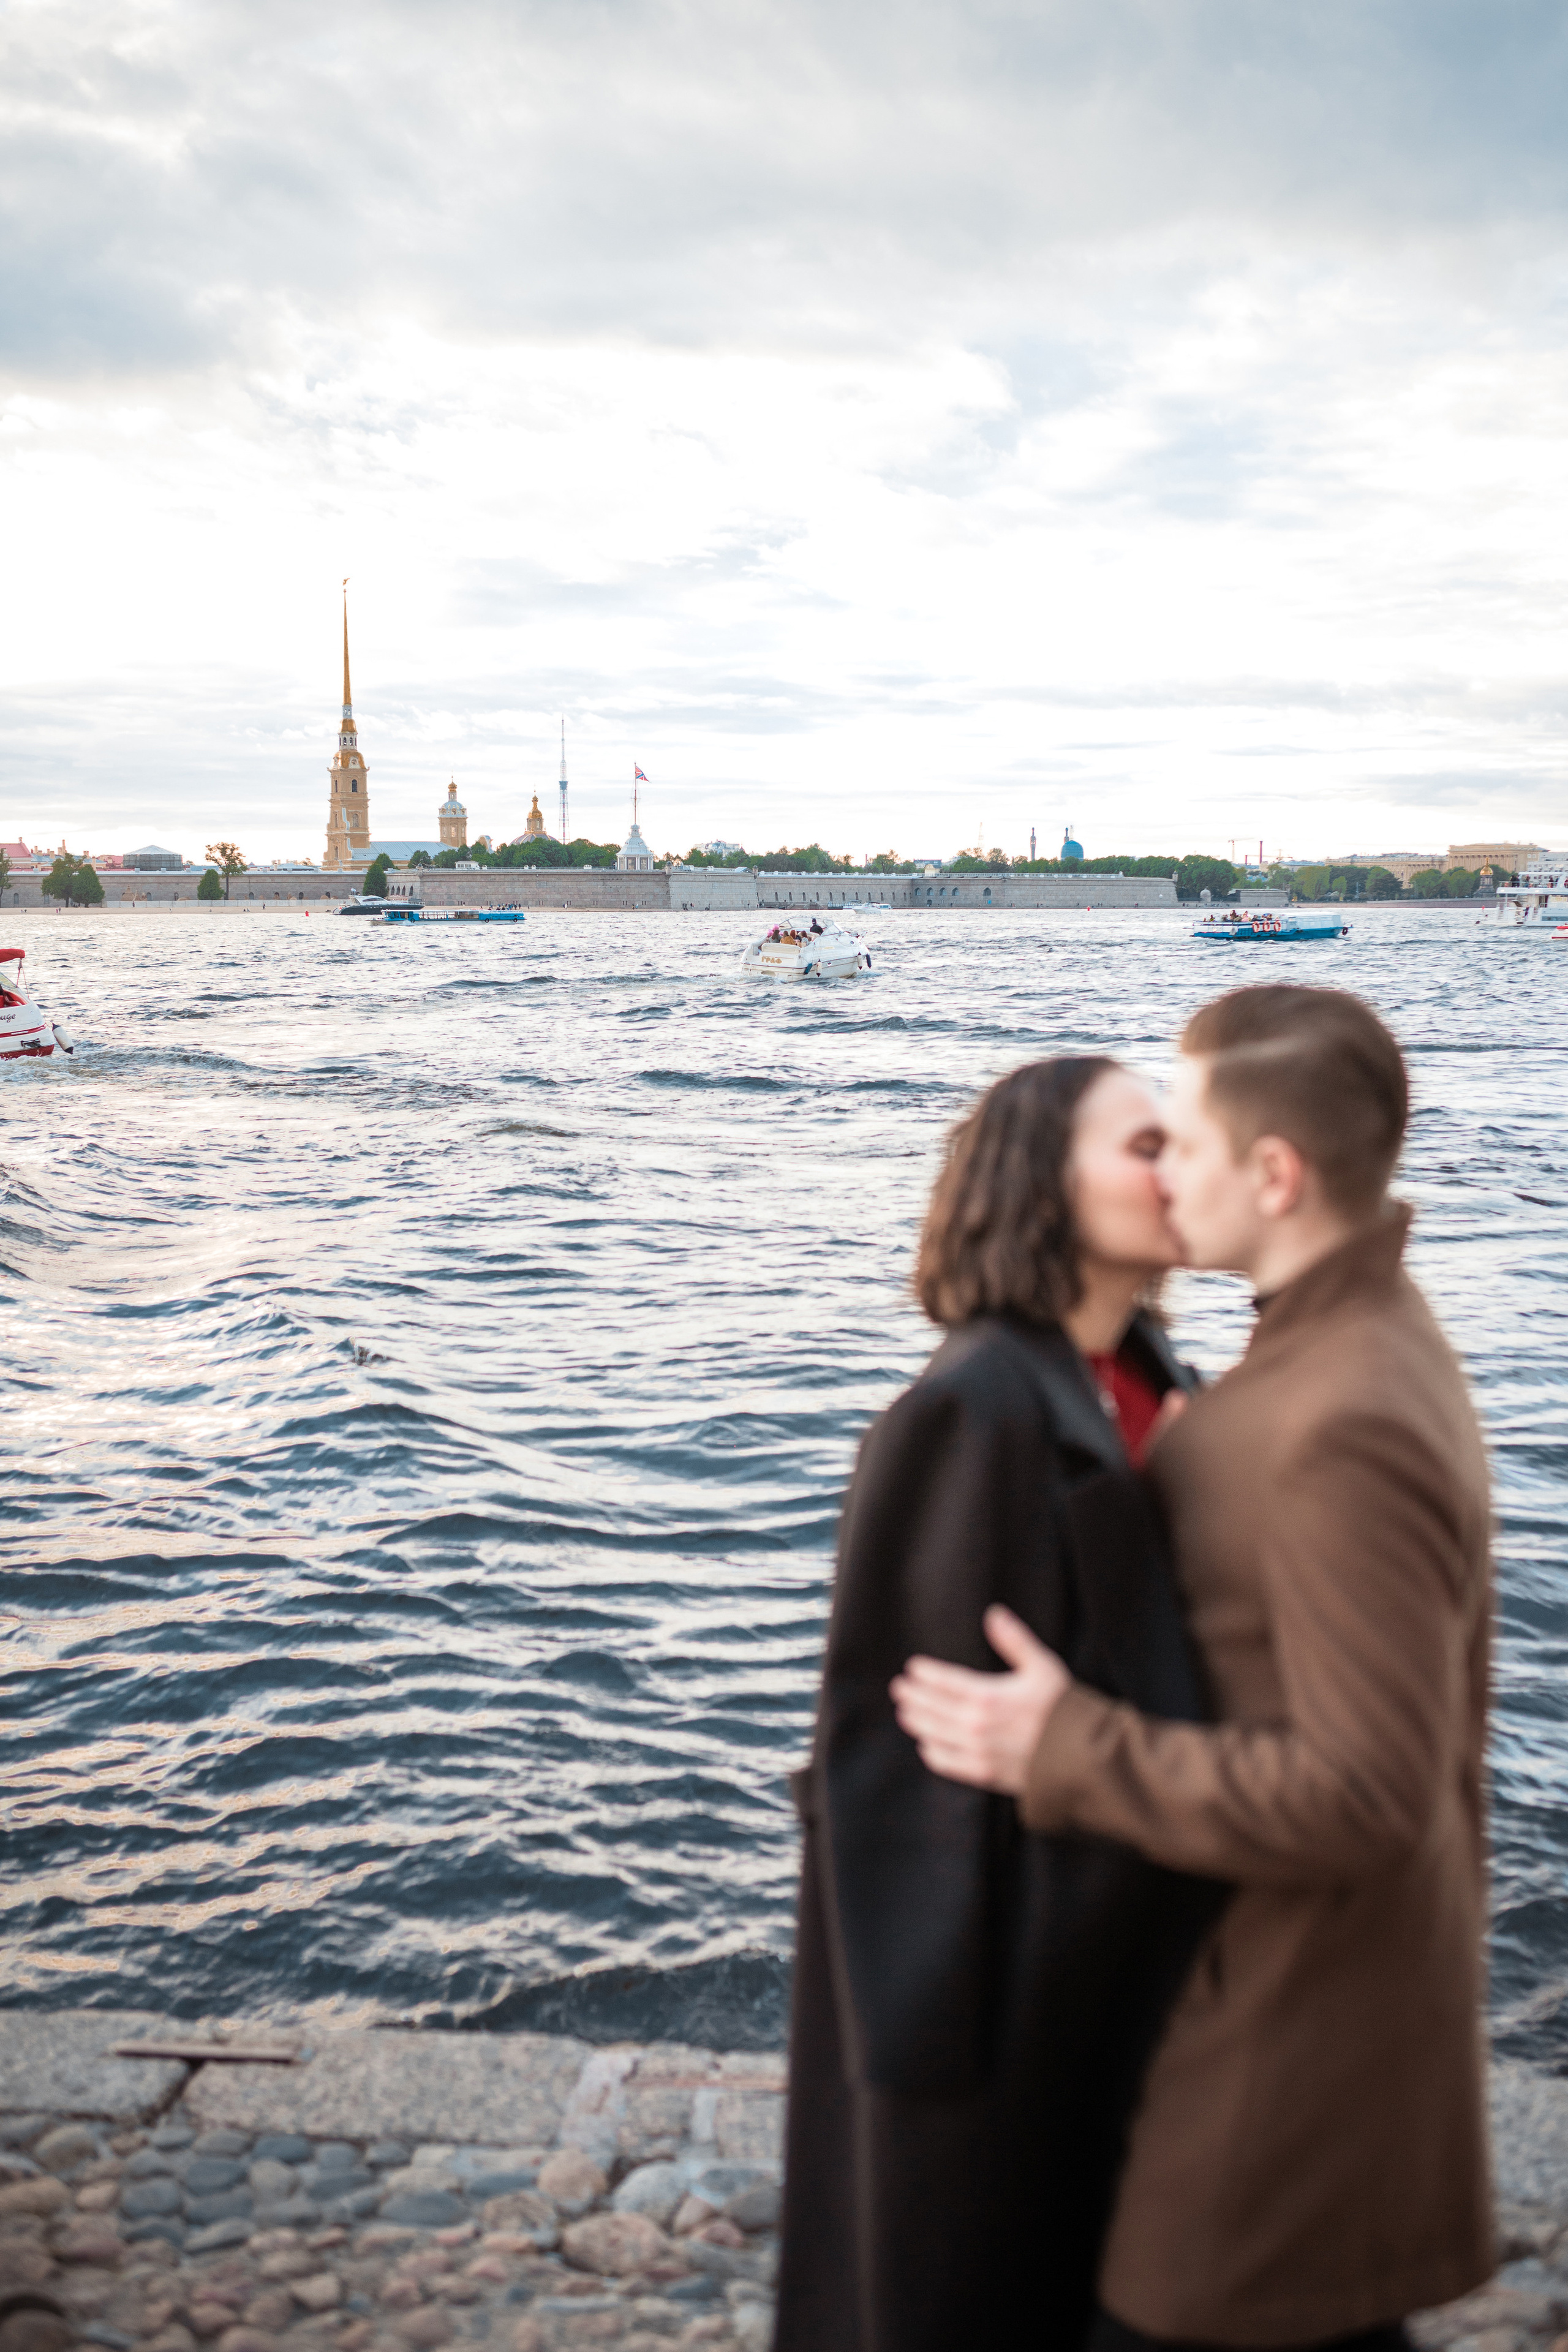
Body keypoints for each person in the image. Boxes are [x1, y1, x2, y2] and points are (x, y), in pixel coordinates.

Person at [893, 984, 1493, 2352]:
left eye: (1184, 1140)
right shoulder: (1340, 1349)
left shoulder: (1339, 1415)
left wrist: (1064, 1749)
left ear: (1271, 1176)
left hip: (1284, 2053)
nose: (1167, 1170)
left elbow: (1364, 1790)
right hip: (1286, 2018)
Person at [774, 1057, 1227, 2352]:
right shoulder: (968, 1411)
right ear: (1041, 1181)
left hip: (1131, 1955)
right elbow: (898, 1764)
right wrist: (946, 2071)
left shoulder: (1139, 1373)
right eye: (1144, 1144)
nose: (1177, 1167)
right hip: (1007, 2011)